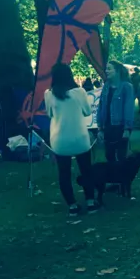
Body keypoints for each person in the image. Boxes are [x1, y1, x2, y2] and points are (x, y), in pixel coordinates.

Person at [44, 64, 98, 216]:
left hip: (59, 140)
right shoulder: (79, 92)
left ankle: (72, 205)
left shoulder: (48, 94)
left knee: (64, 173)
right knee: (86, 170)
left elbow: (50, 114)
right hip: (80, 138)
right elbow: (87, 112)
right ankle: (90, 201)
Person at [97, 60, 135, 163]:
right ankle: (113, 175)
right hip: (107, 126)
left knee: (121, 156)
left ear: (117, 71)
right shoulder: (106, 86)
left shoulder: (127, 87)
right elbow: (101, 107)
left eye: (109, 69)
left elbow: (129, 108)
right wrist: (100, 128)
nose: (106, 71)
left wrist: (127, 129)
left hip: (120, 126)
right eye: (106, 69)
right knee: (109, 155)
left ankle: (122, 177)